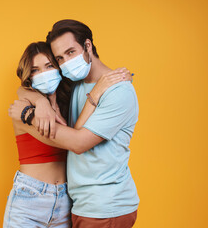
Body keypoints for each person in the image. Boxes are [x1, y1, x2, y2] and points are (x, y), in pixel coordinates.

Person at [9, 19, 139, 228]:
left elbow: (78, 142)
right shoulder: (76, 85)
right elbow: (26, 88)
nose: (66, 62)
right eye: (59, 58)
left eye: (70, 52)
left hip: (105, 205)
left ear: (87, 46)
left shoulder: (118, 90)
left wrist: (29, 115)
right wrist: (40, 101)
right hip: (79, 204)